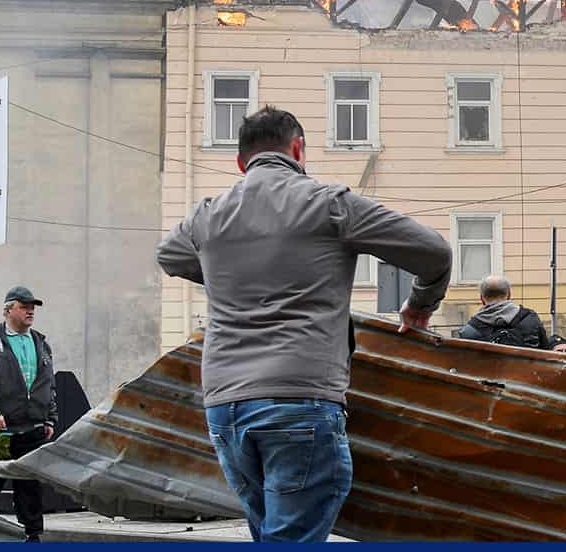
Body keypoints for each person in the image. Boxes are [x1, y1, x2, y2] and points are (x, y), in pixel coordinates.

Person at [156, 106, 451, 542]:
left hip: (225, 406)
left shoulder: (206, 215)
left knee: (273, 534)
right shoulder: (330, 204)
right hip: (300, 398)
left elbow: (169, 255)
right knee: (290, 538)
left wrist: (230, 278)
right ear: (298, 150)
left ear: (241, 161)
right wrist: (419, 307)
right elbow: (434, 252)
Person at [0, 286, 58, 543]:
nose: (30, 311)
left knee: (30, 486)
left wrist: (50, 417)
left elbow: (49, 384)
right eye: (24, 306)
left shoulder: (40, 342)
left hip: (34, 427)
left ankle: (32, 534)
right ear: (8, 310)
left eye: (32, 307)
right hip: (1, 428)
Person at [458, 275, 552, 349]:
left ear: (482, 298)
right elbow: (546, 352)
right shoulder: (530, 319)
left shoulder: (469, 331)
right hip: (526, 373)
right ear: (509, 295)